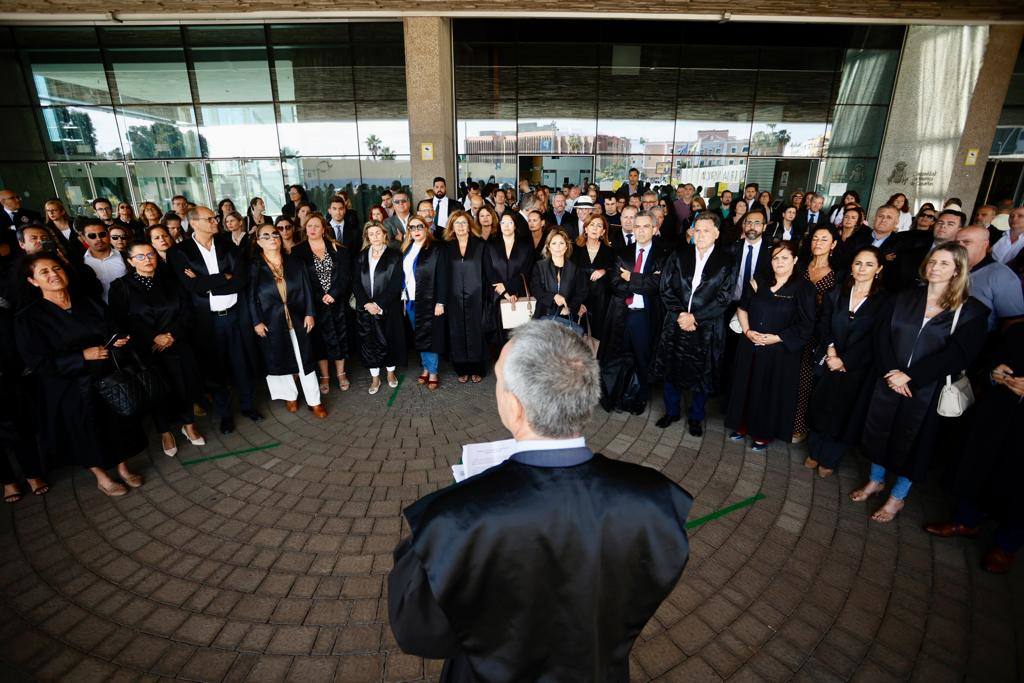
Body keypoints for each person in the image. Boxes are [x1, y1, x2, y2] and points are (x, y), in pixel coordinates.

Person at [388, 320, 692, 680]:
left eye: (499, 382)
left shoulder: (452, 520)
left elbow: (418, 632)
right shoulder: (654, 499)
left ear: (515, 407)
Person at [853, 243, 988, 522]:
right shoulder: (903, 298)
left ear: (957, 271)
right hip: (889, 381)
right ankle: (876, 480)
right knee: (880, 432)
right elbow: (881, 336)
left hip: (927, 389)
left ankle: (897, 497)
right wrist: (892, 371)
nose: (935, 268)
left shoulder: (970, 311)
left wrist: (912, 377)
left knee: (913, 444)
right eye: (932, 262)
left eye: (943, 264)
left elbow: (958, 354)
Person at [15, 253, 146, 496]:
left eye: (57, 268)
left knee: (116, 426)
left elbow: (112, 326)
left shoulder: (88, 302)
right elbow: (37, 361)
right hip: (69, 388)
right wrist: (81, 357)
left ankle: (124, 469)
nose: (54, 274)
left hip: (106, 378)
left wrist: (118, 339)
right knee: (84, 434)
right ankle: (103, 478)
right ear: (33, 281)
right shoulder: (29, 319)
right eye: (44, 272)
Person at [924, 323, 1024, 574]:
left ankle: (1006, 545)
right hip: (996, 416)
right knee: (980, 466)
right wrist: (993, 374)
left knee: (1018, 487)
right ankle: (967, 521)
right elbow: (985, 362)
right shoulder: (1015, 331)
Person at [168, 205, 262, 434]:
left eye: (215, 217)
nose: (215, 221)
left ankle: (249, 406)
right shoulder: (179, 252)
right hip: (205, 322)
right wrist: (222, 277)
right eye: (210, 218)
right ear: (194, 223)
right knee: (215, 369)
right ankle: (226, 415)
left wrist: (207, 284)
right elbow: (190, 285)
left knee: (241, 364)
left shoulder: (228, 244)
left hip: (235, 316)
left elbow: (240, 280)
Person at [108, 242, 207, 457]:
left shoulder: (171, 281)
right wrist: (154, 337)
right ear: (130, 261)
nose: (147, 259)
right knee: (157, 391)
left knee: (185, 386)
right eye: (141, 257)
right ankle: (165, 432)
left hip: (177, 342)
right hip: (146, 349)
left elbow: (187, 312)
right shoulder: (121, 286)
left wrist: (172, 335)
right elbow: (121, 320)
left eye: (150, 254)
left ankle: (189, 425)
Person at [650, 211, 736, 435]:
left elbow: (724, 298)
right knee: (672, 367)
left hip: (706, 326)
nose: (701, 235)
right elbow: (665, 287)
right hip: (677, 321)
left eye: (706, 230)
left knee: (703, 372)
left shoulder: (726, 261)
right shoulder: (679, 255)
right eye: (697, 230)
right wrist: (681, 313)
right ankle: (671, 411)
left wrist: (695, 317)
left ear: (716, 234)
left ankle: (696, 417)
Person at [805, 247, 888, 478]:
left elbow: (875, 338)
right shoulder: (837, 293)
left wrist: (845, 360)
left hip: (857, 368)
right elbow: (824, 324)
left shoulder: (883, 302)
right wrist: (831, 352)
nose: (862, 268)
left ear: (879, 268)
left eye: (869, 264)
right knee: (820, 405)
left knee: (844, 413)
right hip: (830, 360)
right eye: (858, 263)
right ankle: (814, 450)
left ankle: (830, 458)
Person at [725, 241, 815, 451]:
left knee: (768, 392)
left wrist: (777, 338)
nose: (779, 262)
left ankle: (762, 434)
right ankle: (742, 425)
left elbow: (807, 324)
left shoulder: (803, 288)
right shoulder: (760, 280)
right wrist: (747, 332)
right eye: (776, 258)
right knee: (745, 385)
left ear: (795, 260)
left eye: (785, 258)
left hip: (779, 351)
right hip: (751, 343)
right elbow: (743, 307)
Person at [248, 223, 325, 417]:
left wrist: (310, 312)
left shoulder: (294, 262)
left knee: (304, 359)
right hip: (270, 320)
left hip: (298, 317)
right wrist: (256, 321)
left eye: (275, 234)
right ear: (258, 242)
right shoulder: (254, 267)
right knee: (278, 357)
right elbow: (250, 297)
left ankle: (314, 401)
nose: (273, 238)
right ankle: (289, 395)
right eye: (266, 236)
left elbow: (307, 288)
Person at [600, 212, 667, 413]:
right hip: (621, 312)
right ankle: (618, 396)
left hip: (644, 315)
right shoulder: (621, 253)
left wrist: (631, 277)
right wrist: (642, 280)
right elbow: (614, 283)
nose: (640, 230)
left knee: (642, 358)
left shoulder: (662, 254)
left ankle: (639, 399)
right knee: (618, 356)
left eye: (646, 226)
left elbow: (657, 286)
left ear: (654, 229)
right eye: (637, 226)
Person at [292, 213, 352, 394]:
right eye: (309, 226)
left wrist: (333, 293)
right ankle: (325, 376)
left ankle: (341, 374)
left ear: (324, 228)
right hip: (314, 304)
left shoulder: (337, 248)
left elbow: (345, 275)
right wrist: (319, 296)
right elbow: (299, 281)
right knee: (319, 341)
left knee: (341, 337)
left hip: (336, 302)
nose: (312, 229)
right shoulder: (298, 251)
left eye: (316, 226)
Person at [792, 226, 840, 441]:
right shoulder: (800, 267)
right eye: (815, 238)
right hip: (791, 328)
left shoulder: (836, 276)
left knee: (804, 381)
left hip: (815, 334)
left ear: (833, 245)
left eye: (824, 239)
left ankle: (799, 426)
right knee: (787, 377)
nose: (818, 242)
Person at [354, 220, 403, 394]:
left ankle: (390, 373)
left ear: (384, 235)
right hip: (366, 308)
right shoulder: (361, 256)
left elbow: (396, 284)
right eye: (371, 234)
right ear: (367, 236)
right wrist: (367, 303)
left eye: (378, 233)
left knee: (389, 339)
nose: (374, 237)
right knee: (369, 343)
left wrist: (379, 304)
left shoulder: (395, 256)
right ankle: (375, 378)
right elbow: (356, 283)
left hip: (388, 307)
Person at [401, 216, 447, 391]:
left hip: (430, 299)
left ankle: (433, 371)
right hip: (411, 300)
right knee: (419, 334)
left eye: (420, 226)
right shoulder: (407, 248)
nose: (416, 230)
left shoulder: (436, 249)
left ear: (427, 228)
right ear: (409, 231)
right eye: (412, 227)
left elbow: (443, 276)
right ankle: (426, 367)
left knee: (430, 336)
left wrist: (440, 302)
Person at [444, 211, 487, 383]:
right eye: (457, 223)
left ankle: (477, 368)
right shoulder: (446, 247)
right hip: (453, 296)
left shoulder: (480, 245)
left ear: (470, 225)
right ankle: (462, 368)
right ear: (452, 228)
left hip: (477, 296)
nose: (461, 226)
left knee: (477, 331)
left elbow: (486, 271)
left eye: (464, 223)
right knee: (457, 332)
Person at [956, 225, 1024, 332]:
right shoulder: (948, 267)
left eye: (966, 242)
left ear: (985, 244)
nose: (959, 247)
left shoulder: (1002, 275)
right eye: (956, 243)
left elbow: (1014, 322)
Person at [484, 213, 535, 348]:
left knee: (519, 337)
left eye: (510, 223)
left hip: (519, 295)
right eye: (503, 223)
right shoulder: (490, 245)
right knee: (500, 338)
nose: (506, 226)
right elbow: (489, 271)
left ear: (515, 225)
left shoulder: (526, 246)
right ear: (499, 225)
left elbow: (526, 272)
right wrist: (505, 293)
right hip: (497, 296)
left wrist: (508, 287)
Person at [572, 214, 615, 347]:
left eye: (599, 226)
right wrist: (576, 303)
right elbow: (569, 278)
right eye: (592, 225)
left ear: (603, 232)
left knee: (598, 341)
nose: (595, 228)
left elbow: (616, 276)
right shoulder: (574, 249)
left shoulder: (610, 251)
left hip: (601, 304)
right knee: (578, 341)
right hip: (579, 302)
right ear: (585, 228)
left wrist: (604, 271)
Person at [530, 228, 586, 327]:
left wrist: (570, 308)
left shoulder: (574, 268)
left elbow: (581, 292)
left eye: (561, 243)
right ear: (548, 247)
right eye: (554, 243)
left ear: (566, 247)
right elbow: (535, 289)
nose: (558, 247)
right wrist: (553, 297)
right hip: (543, 315)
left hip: (567, 318)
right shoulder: (540, 266)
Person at [80, 218, 127, 302]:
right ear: (84, 238)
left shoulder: (125, 257)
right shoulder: (79, 262)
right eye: (92, 236)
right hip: (97, 311)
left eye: (102, 234)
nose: (98, 239)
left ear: (108, 235)